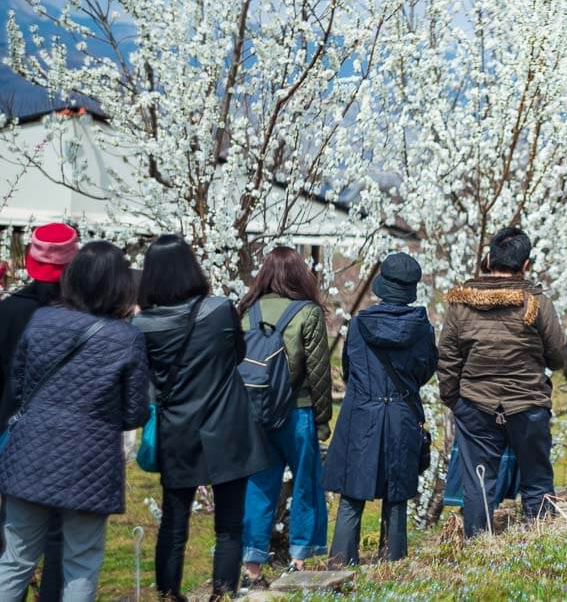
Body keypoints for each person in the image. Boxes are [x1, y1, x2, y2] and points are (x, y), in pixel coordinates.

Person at [0, 240, 150, 601]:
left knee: (15, 559)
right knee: (80, 563)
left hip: (30, 453)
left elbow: (18, 387)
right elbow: (134, 413)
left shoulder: (42, 321)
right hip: (90, 461)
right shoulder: (126, 338)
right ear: (120, 284)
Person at [133, 235, 271, 600]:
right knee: (229, 524)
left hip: (176, 430)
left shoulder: (142, 326)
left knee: (174, 523)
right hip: (227, 424)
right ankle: (223, 594)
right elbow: (238, 354)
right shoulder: (220, 310)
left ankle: (168, 594)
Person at [438, 227, 567, 538]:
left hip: (475, 404)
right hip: (528, 403)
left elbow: (447, 358)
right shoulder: (536, 303)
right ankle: (541, 542)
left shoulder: (460, 304)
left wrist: (455, 401)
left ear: (488, 260)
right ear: (525, 265)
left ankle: (479, 549)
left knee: (479, 483)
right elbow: (558, 357)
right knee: (536, 479)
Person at [323, 252, 437, 563]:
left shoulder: (359, 325)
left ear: (382, 285)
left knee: (352, 493)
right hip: (402, 413)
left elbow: (349, 369)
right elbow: (426, 370)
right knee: (397, 495)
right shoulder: (423, 328)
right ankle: (393, 564)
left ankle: (340, 562)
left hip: (362, 413)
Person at [238, 247, 332, 586]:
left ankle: (251, 569)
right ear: (300, 275)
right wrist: (322, 421)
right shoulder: (308, 313)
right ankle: (298, 562)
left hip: (256, 414)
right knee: (307, 484)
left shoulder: (247, 310)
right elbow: (319, 373)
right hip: (297, 410)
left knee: (259, 486)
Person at [0, 222, 80, 600]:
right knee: (59, 540)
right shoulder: (88, 318)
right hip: (70, 437)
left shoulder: (9, 312)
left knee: (14, 545)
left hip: (14, 436)